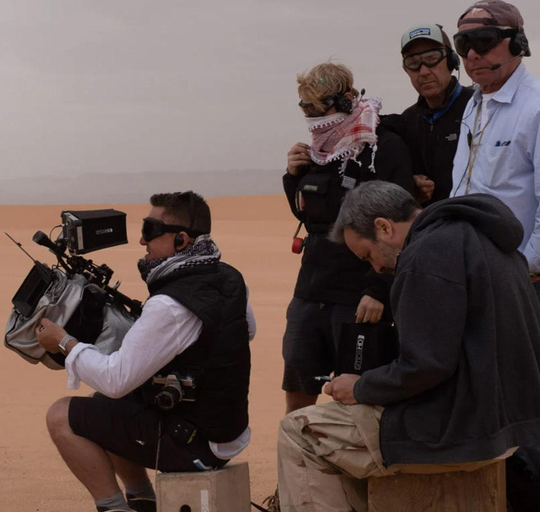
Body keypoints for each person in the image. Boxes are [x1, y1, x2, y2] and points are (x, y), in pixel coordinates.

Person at [276, 180, 540, 512]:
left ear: (383, 227)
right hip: (510, 425)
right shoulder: (484, 238)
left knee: (299, 432)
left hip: (457, 430)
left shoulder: (426, 254)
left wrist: (361, 387)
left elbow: (426, 365)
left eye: (368, 255)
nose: (377, 268)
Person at [36, 191, 254, 512]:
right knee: (108, 404)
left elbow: (114, 378)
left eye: (150, 231)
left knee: (60, 416)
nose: (142, 241)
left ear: (181, 240)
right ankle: (143, 502)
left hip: (193, 443)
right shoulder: (228, 277)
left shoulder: (170, 305)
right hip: (227, 432)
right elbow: (246, 330)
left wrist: (65, 343)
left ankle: (114, 508)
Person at [282, 62, 415, 414]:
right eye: (303, 107)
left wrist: (377, 290)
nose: (309, 116)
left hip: (357, 295)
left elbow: (398, 229)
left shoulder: (381, 145)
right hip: (311, 290)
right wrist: (293, 177)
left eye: (314, 107)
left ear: (343, 102)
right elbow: (310, 216)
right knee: (298, 381)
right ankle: (297, 462)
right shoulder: (318, 150)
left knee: (355, 393)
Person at [449, 1, 540, 295]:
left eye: (484, 41)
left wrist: (526, 268)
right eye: (463, 45)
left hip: (522, 282)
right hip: (471, 273)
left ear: (517, 44)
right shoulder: (471, 106)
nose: (472, 54)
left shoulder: (535, 107)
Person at [386, 23, 473, 205]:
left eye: (432, 58)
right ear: (405, 70)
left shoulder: (478, 108)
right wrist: (411, 184)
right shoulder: (407, 121)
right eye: (413, 63)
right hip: (429, 226)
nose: (424, 71)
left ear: (451, 61)